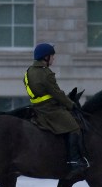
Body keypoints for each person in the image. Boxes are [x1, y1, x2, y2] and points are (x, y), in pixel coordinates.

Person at [24, 42, 89, 178]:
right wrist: (71, 104)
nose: (54, 59)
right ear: (46, 57)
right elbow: (56, 93)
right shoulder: (46, 73)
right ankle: (75, 161)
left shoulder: (28, 72)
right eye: (52, 56)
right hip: (50, 110)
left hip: (36, 108)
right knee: (74, 127)